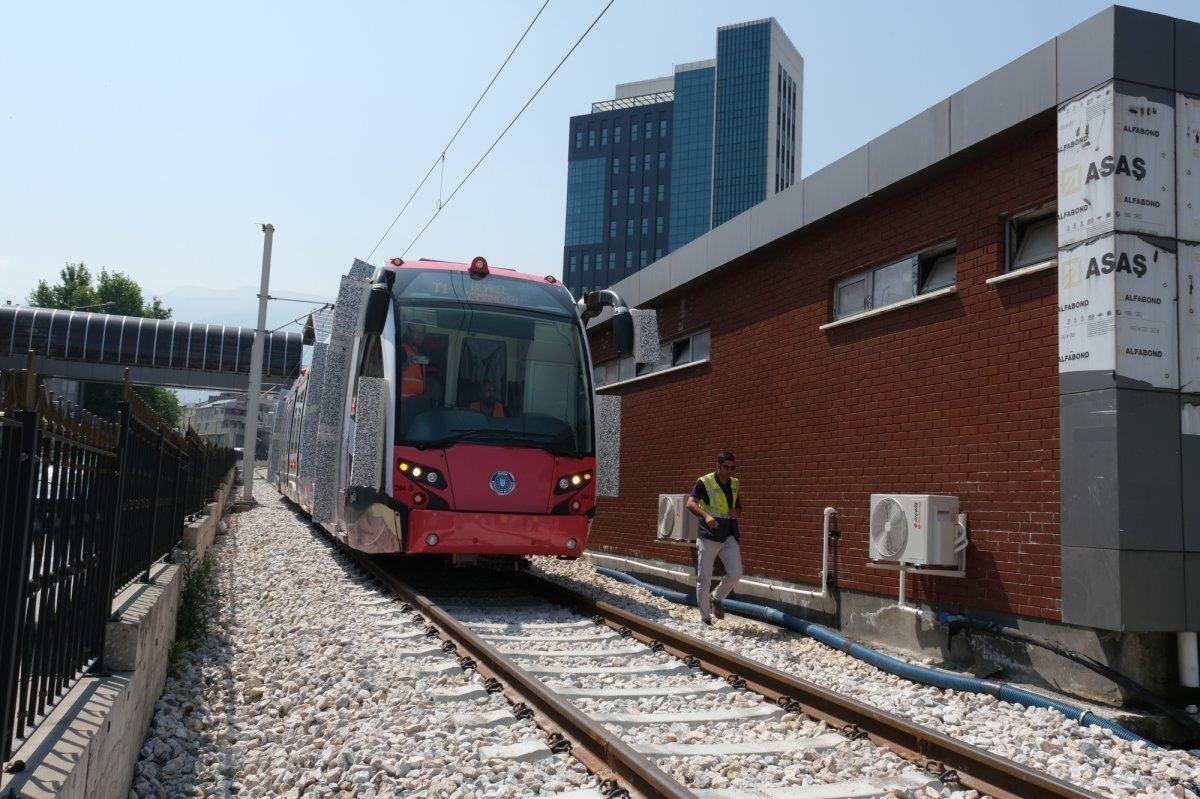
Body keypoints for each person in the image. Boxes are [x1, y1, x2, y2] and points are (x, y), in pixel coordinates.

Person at [686, 451, 743, 625]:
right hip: (709, 535)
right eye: (726, 467)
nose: (730, 471)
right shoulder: (705, 481)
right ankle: (705, 618)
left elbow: (738, 506)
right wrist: (706, 516)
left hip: (728, 534)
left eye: (733, 467)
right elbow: (690, 503)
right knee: (705, 578)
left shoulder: (735, 483)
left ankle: (716, 597)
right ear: (717, 466)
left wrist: (737, 511)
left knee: (736, 572)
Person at [400, 325, 428, 397]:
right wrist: (403, 367)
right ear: (409, 333)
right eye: (416, 332)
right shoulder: (401, 349)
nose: (419, 335)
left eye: (422, 333)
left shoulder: (421, 356)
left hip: (416, 403)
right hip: (401, 404)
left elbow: (422, 382)